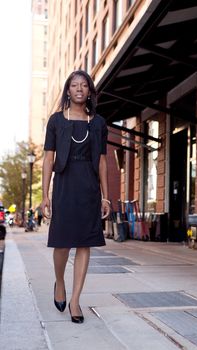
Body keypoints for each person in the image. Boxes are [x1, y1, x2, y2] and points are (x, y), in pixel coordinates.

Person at [41, 70, 110, 324]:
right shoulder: (56, 121)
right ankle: (59, 282)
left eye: (84, 85)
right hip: (64, 184)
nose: (79, 89)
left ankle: (76, 300)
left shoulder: (99, 123)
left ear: (90, 91)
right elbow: (49, 158)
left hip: (89, 187)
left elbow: (103, 161)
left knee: (84, 243)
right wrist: (45, 194)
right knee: (61, 242)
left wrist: (106, 196)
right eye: (74, 85)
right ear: (68, 91)